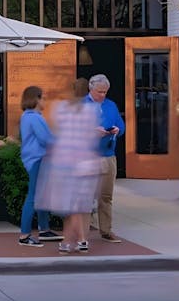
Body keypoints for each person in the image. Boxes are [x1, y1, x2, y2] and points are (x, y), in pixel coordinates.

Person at [37, 80, 101, 253]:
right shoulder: (91, 110)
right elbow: (91, 138)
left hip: (63, 163)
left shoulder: (61, 108)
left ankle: (68, 241)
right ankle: (81, 239)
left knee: (70, 206)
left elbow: (56, 132)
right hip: (84, 162)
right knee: (78, 205)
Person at [17, 86, 62, 247]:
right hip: (37, 159)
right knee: (33, 197)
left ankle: (44, 229)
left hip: (35, 159)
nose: (45, 101)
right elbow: (45, 139)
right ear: (35, 99)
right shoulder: (34, 118)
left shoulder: (28, 117)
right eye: (43, 98)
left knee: (42, 195)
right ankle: (24, 235)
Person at [86, 74, 125, 242]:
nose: (103, 95)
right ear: (91, 89)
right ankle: (82, 232)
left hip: (108, 155)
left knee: (106, 195)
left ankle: (106, 230)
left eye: (105, 92)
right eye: (100, 92)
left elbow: (121, 125)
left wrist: (117, 130)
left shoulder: (111, 105)